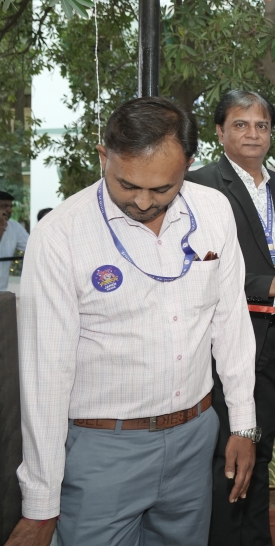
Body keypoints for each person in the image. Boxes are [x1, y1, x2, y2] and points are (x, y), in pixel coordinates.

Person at [8, 97, 258, 546]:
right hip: (102, 452)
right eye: (126, 184)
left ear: (188, 164)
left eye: (162, 188)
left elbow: (231, 324)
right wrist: (41, 502)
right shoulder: (61, 234)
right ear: (104, 155)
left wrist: (242, 424)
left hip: (195, 439)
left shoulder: (214, 211)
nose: (143, 202)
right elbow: (46, 375)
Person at [187, 89, 275, 546]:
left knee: (263, 450)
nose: (253, 134)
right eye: (240, 124)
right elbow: (195, 264)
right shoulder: (198, 186)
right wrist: (263, 285)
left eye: (261, 125)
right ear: (219, 131)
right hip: (222, 343)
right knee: (227, 457)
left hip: (273, 339)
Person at [0, 191, 28, 292]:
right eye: (4, 206)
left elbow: (32, 247)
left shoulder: (14, 227)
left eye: (10, 206)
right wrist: (1, 228)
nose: (9, 210)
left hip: (2, 289)